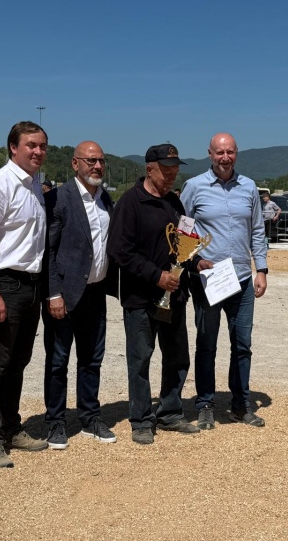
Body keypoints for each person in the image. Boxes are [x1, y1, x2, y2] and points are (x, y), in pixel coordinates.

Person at [106, 143, 209, 445]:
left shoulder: (175, 203)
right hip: (141, 298)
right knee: (140, 359)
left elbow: (184, 245)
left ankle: (170, 413)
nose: (171, 175)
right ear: (149, 169)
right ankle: (140, 419)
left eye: (175, 170)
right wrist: (157, 276)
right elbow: (119, 251)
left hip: (174, 297)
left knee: (177, 357)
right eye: (166, 170)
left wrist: (196, 262)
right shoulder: (131, 202)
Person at [0, 121, 49, 468]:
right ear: (13, 147)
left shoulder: (33, 186)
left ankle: (10, 427)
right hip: (4, 283)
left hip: (29, 285)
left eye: (42, 146)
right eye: (31, 145)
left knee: (17, 362)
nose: (38, 151)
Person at [181, 133, 269, 429]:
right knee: (207, 344)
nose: (225, 157)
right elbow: (183, 231)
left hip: (242, 278)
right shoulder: (194, 187)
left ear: (236, 153)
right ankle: (205, 403)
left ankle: (240, 404)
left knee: (242, 344)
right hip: (209, 279)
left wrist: (261, 269)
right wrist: (192, 262)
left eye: (230, 152)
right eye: (219, 152)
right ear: (210, 154)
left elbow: (257, 229)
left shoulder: (249, 187)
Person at [42, 141, 118, 449]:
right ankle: (55, 422)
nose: (97, 166)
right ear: (75, 164)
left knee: (92, 360)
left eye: (101, 161)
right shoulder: (58, 198)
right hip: (65, 294)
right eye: (91, 161)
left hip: (96, 293)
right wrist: (53, 294)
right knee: (57, 361)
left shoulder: (106, 199)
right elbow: (48, 251)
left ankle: (90, 417)